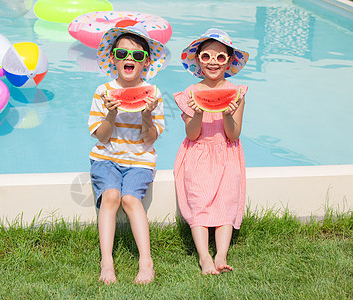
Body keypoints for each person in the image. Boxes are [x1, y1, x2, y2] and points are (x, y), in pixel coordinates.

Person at [88, 23, 166, 284]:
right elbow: (101, 137)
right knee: (111, 196)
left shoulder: (153, 94)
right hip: (106, 158)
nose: (129, 59)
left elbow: (150, 138)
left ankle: (146, 262)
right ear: (113, 59)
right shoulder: (103, 91)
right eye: (121, 54)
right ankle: (106, 263)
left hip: (140, 160)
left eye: (137, 55)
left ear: (146, 62)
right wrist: (111, 112)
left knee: (130, 200)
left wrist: (146, 112)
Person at [173, 28, 249, 275]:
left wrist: (227, 111)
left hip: (227, 154)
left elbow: (234, 134)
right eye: (206, 56)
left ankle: (221, 255)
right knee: (199, 205)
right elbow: (192, 134)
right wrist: (198, 112)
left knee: (226, 204)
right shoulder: (189, 94)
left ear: (229, 61)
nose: (213, 62)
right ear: (198, 60)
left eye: (220, 57)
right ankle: (204, 257)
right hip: (198, 154)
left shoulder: (236, 93)